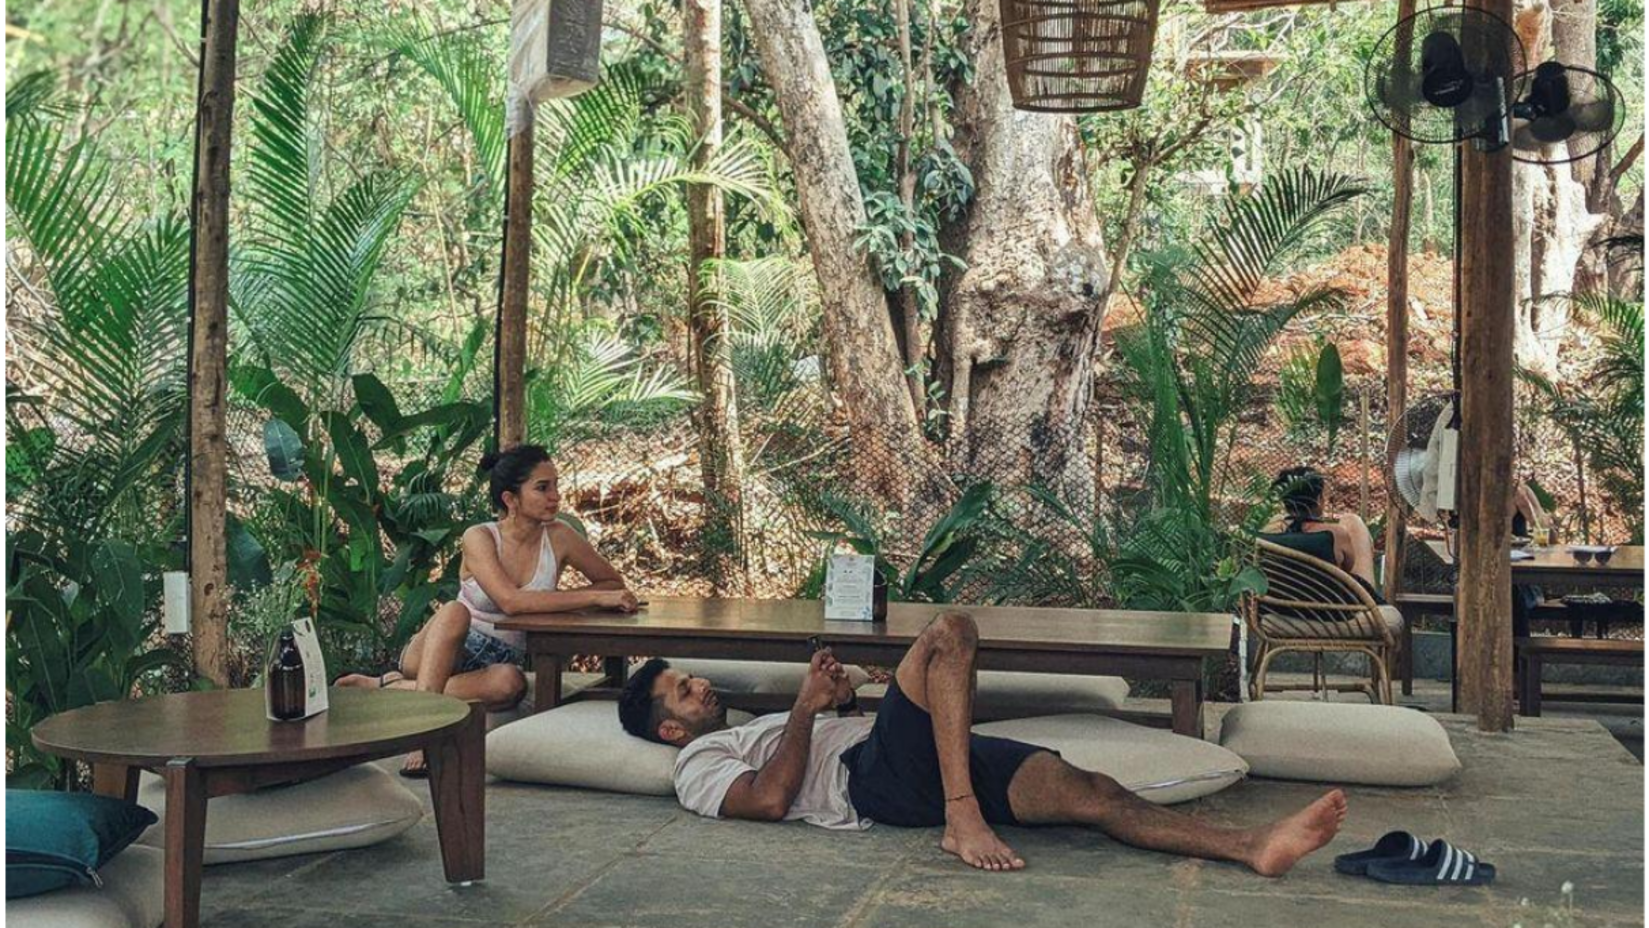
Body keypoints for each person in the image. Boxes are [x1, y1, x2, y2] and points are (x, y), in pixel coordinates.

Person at [617, 611, 1347, 874]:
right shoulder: (699, 765)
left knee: (1092, 794)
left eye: (692, 678)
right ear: (670, 729)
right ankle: (961, 818)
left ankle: (1251, 847)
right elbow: (772, 800)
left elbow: (798, 745)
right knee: (950, 632)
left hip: (912, 754)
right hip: (872, 781)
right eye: (684, 692)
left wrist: (836, 696)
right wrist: (807, 711)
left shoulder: (750, 727)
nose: (702, 687)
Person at [340, 444, 640, 775]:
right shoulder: (480, 536)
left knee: (511, 683)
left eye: (556, 485)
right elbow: (510, 602)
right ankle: (421, 736)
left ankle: (388, 689)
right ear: (510, 499)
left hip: (498, 661)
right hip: (443, 648)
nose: (555, 496)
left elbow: (611, 583)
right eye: (542, 488)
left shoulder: (560, 537)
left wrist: (594, 595)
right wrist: (592, 599)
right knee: (455, 611)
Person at [1267, 466, 1377, 589]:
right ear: (1319, 499)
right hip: (1334, 603)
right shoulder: (1333, 535)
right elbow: (1350, 566)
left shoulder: (1267, 535)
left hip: (1278, 603)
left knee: (1277, 519)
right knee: (1353, 521)